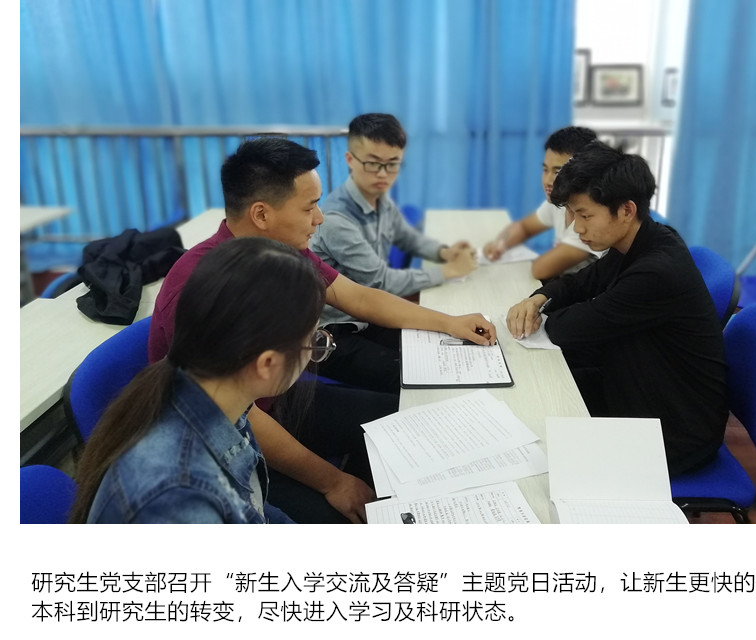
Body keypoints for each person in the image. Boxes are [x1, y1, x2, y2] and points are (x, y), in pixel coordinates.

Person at [148, 137, 496, 519]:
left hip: (275, 398)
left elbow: (357, 297)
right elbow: (236, 413)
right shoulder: (203, 287)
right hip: (223, 439)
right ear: (261, 214)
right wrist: (333, 482)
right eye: (309, 206)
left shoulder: (282, 249)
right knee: (344, 516)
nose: (320, 218)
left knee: (405, 422)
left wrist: (449, 323)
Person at [505, 141, 727, 476]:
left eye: (585, 215)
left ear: (626, 210)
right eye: (574, 215)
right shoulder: (637, 241)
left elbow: (572, 328)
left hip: (673, 431)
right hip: (637, 382)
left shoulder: (657, 270)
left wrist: (541, 316)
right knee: (530, 399)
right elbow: (581, 283)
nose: (577, 228)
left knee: (539, 446)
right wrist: (538, 299)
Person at [70, 237, 329, 523]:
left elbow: (251, 508)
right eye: (313, 340)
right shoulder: (177, 496)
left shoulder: (220, 399)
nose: (315, 351)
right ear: (267, 364)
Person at [311, 113, 477, 391]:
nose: (383, 174)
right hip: (337, 331)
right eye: (373, 163)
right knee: (419, 376)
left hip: (371, 315)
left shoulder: (379, 199)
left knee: (444, 349)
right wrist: (448, 271)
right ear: (350, 159)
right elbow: (381, 282)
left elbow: (407, 237)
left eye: (392, 164)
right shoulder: (336, 219)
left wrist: (445, 252)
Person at [483, 126, 602, 282]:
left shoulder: (592, 218)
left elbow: (540, 270)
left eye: (558, 172)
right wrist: (500, 244)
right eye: (545, 170)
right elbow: (524, 227)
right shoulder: (559, 201)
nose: (547, 181)